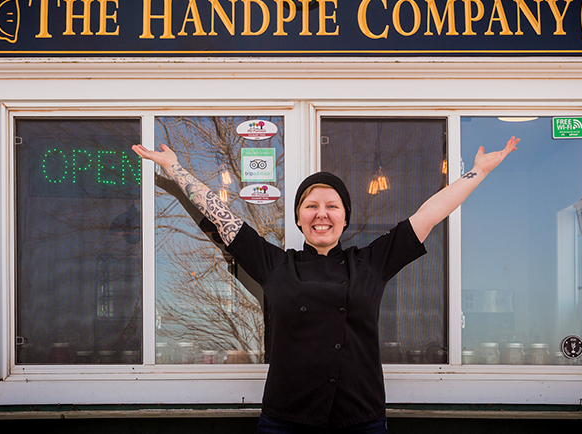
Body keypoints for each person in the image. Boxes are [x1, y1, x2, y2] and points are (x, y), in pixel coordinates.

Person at [132, 136, 519, 434]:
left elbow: (431, 213)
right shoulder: (275, 264)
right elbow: (221, 216)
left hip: (361, 420)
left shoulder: (371, 262)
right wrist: (176, 169)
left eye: (332, 206)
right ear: (299, 218)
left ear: (344, 219)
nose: (322, 213)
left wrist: (479, 171)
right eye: (311, 206)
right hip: (285, 420)